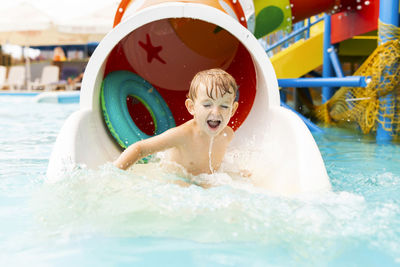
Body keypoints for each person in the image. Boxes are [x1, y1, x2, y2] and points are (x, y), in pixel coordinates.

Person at [113, 68, 245, 186]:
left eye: (224, 106)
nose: (216, 112)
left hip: (203, 183)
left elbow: (220, 164)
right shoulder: (182, 135)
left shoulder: (227, 134)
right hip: (175, 182)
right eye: (207, 105)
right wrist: (114, 174)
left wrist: (237, 172)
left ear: (232, 110)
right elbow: (140, 148)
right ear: (191, 107)